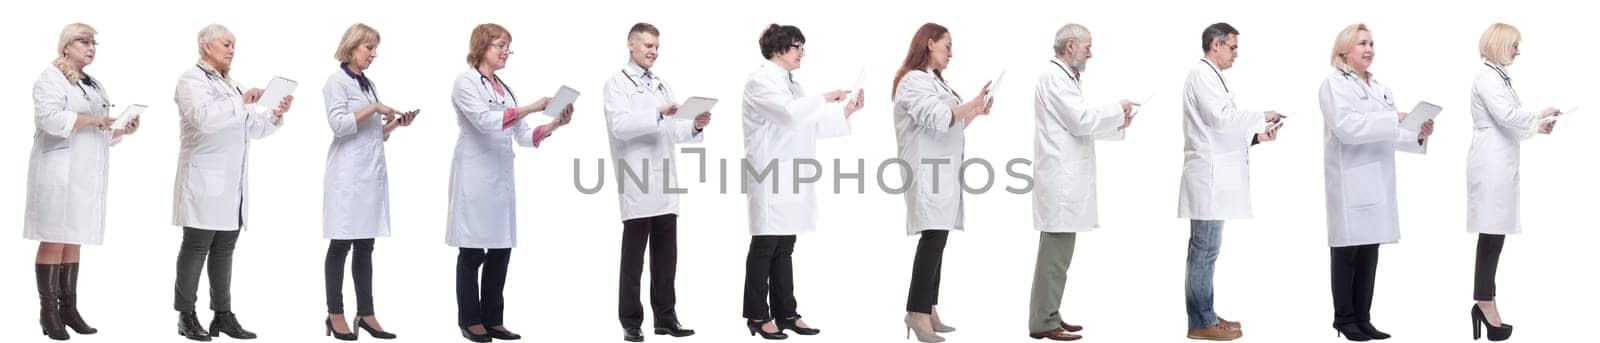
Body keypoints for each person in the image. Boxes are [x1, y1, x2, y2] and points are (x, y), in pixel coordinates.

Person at [448, 23, 574, 343]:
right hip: (475, 179)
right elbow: (485, 121)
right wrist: (531, 106)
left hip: (500, 180)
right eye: (499, 45)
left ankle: (493, 319)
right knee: (473, 253)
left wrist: (556, 123)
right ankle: (469, 320)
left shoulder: (505, 89)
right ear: (481, 47)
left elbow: (524, 137)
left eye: (508, 47)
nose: (505, 51)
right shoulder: (465, 83)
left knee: (501, 251)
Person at [740, 23, 863, 341]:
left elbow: (810, 123)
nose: (802, 53)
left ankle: (786, 313)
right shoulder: (761, 80)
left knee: (785, 247)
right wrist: (824, 97)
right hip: (769, 175)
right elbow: (790, 114)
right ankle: (757, 315)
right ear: (779, 49)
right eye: (798, 46)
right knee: (765, 245)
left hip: (791, 176)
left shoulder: (792, 83)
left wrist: (846, 110)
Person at [172, 23, 293, 342]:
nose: (231, 49)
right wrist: (243, 102)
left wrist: (276, 115)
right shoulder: (190, 80)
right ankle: (186, 315)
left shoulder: (234, 85)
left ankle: (222, 316)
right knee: (196, 247)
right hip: (202, 180)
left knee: (224, 250)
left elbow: (254, 128)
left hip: (231, 185)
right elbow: (204, 119)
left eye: (234, 45)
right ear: (206, 46)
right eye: (226, 43)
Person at [1316, 23, 1432, 342]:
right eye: (1361, 44)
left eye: (1371, 43)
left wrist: (1416, 134)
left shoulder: (1380, 87)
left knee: (1370, 251)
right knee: (1348, 252)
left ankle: (1363, 319)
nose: (1369, 49)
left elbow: (1393, 134)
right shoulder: (1334, 85)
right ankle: (1344, 319)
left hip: (1377, 179)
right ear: (1344, 51)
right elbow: (1346, 127)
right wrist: (1394, 118)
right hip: (1350, 179)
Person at [27, 22, 142, 341]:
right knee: (53, 237)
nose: (90, 47)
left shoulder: (93, 84)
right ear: (66, 46)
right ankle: (48, 312)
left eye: (94, 43)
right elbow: (48, 119)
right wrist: (94, 120)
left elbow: (99, 134)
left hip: (84, 171)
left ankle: (69, 308)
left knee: (74, 236)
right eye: (83, 41)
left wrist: (120, 129)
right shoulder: (49, 78)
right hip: (58, 170)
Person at [1026, 23, 1136, 342]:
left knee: (1059, 254)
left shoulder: (1066, 78)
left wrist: (1118, 122)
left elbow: (1080, 125)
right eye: (1088, 46)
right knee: (1055, 255)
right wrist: (1116, 109)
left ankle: (1049, 313)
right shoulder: (1054, 77)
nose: (1091, 52)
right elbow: (1080, 120)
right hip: (1060, 181)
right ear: (1071, 45)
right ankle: (1043, 320)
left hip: (1066, 180)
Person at [1176, 22, 1284, 341]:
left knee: (1207, 251)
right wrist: (1262, 114)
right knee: (1204, 251)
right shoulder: (1201, 75)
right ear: (1216, 45)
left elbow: (1220, 132)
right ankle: (1201, 321)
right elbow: (1220, 120)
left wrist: (1258, 137)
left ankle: (1205, 314)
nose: (1236, 54)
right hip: (1207, 178)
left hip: (1215, 175)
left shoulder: (1212, 78)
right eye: (1233, 47)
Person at [602, 22, 707, 342]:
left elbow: (674, 131)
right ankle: (631, 322)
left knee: (666, 257)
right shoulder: (616, 84)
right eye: (647, 45)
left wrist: (696, 126)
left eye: (656, 47)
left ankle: (665, 318)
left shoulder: (662, 85)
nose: (653, 51)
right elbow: (619, 125)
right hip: (636, 180)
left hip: (665, 183)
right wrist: (659, 114)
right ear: (630, 45)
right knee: (633, 260)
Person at [890, 22, 991, 343]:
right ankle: (916, 313)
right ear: (930, 43)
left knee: (939, 237)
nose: (951, 53)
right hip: (926, 170)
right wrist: (971, 103)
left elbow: (952, 125)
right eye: (947, 46)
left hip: (943, 170)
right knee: (933, 238)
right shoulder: (912, 81)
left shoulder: (936, 82)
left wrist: (976, 111)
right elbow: (939, 118)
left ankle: (928, 308)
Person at [1466, 22, 1562, 342]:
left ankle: (1485, 300)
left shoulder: (1499, 78)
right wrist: (1535, 117)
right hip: (1490, 164)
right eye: (1514, 45)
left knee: (1495, 234)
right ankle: (1484, 301)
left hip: (1500, 161)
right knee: (1491, 235)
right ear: (1499, 44)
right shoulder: (1485, 76)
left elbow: (1511, 121)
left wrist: (1538, 126)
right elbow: (1507, 116)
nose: (1518, 51)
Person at [320, 23, 413, 341]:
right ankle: (335, 314)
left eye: (375, 48)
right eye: (368, 48)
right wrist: (374, 108)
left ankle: (367, 313)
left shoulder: (368, 84)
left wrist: (395, 125)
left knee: (365, 245)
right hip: (347, 176)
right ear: (351, 47)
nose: (374, 54)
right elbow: (340, 126)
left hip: (369, 174)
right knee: (341, 243)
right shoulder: (336, 83)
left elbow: (373, 133)